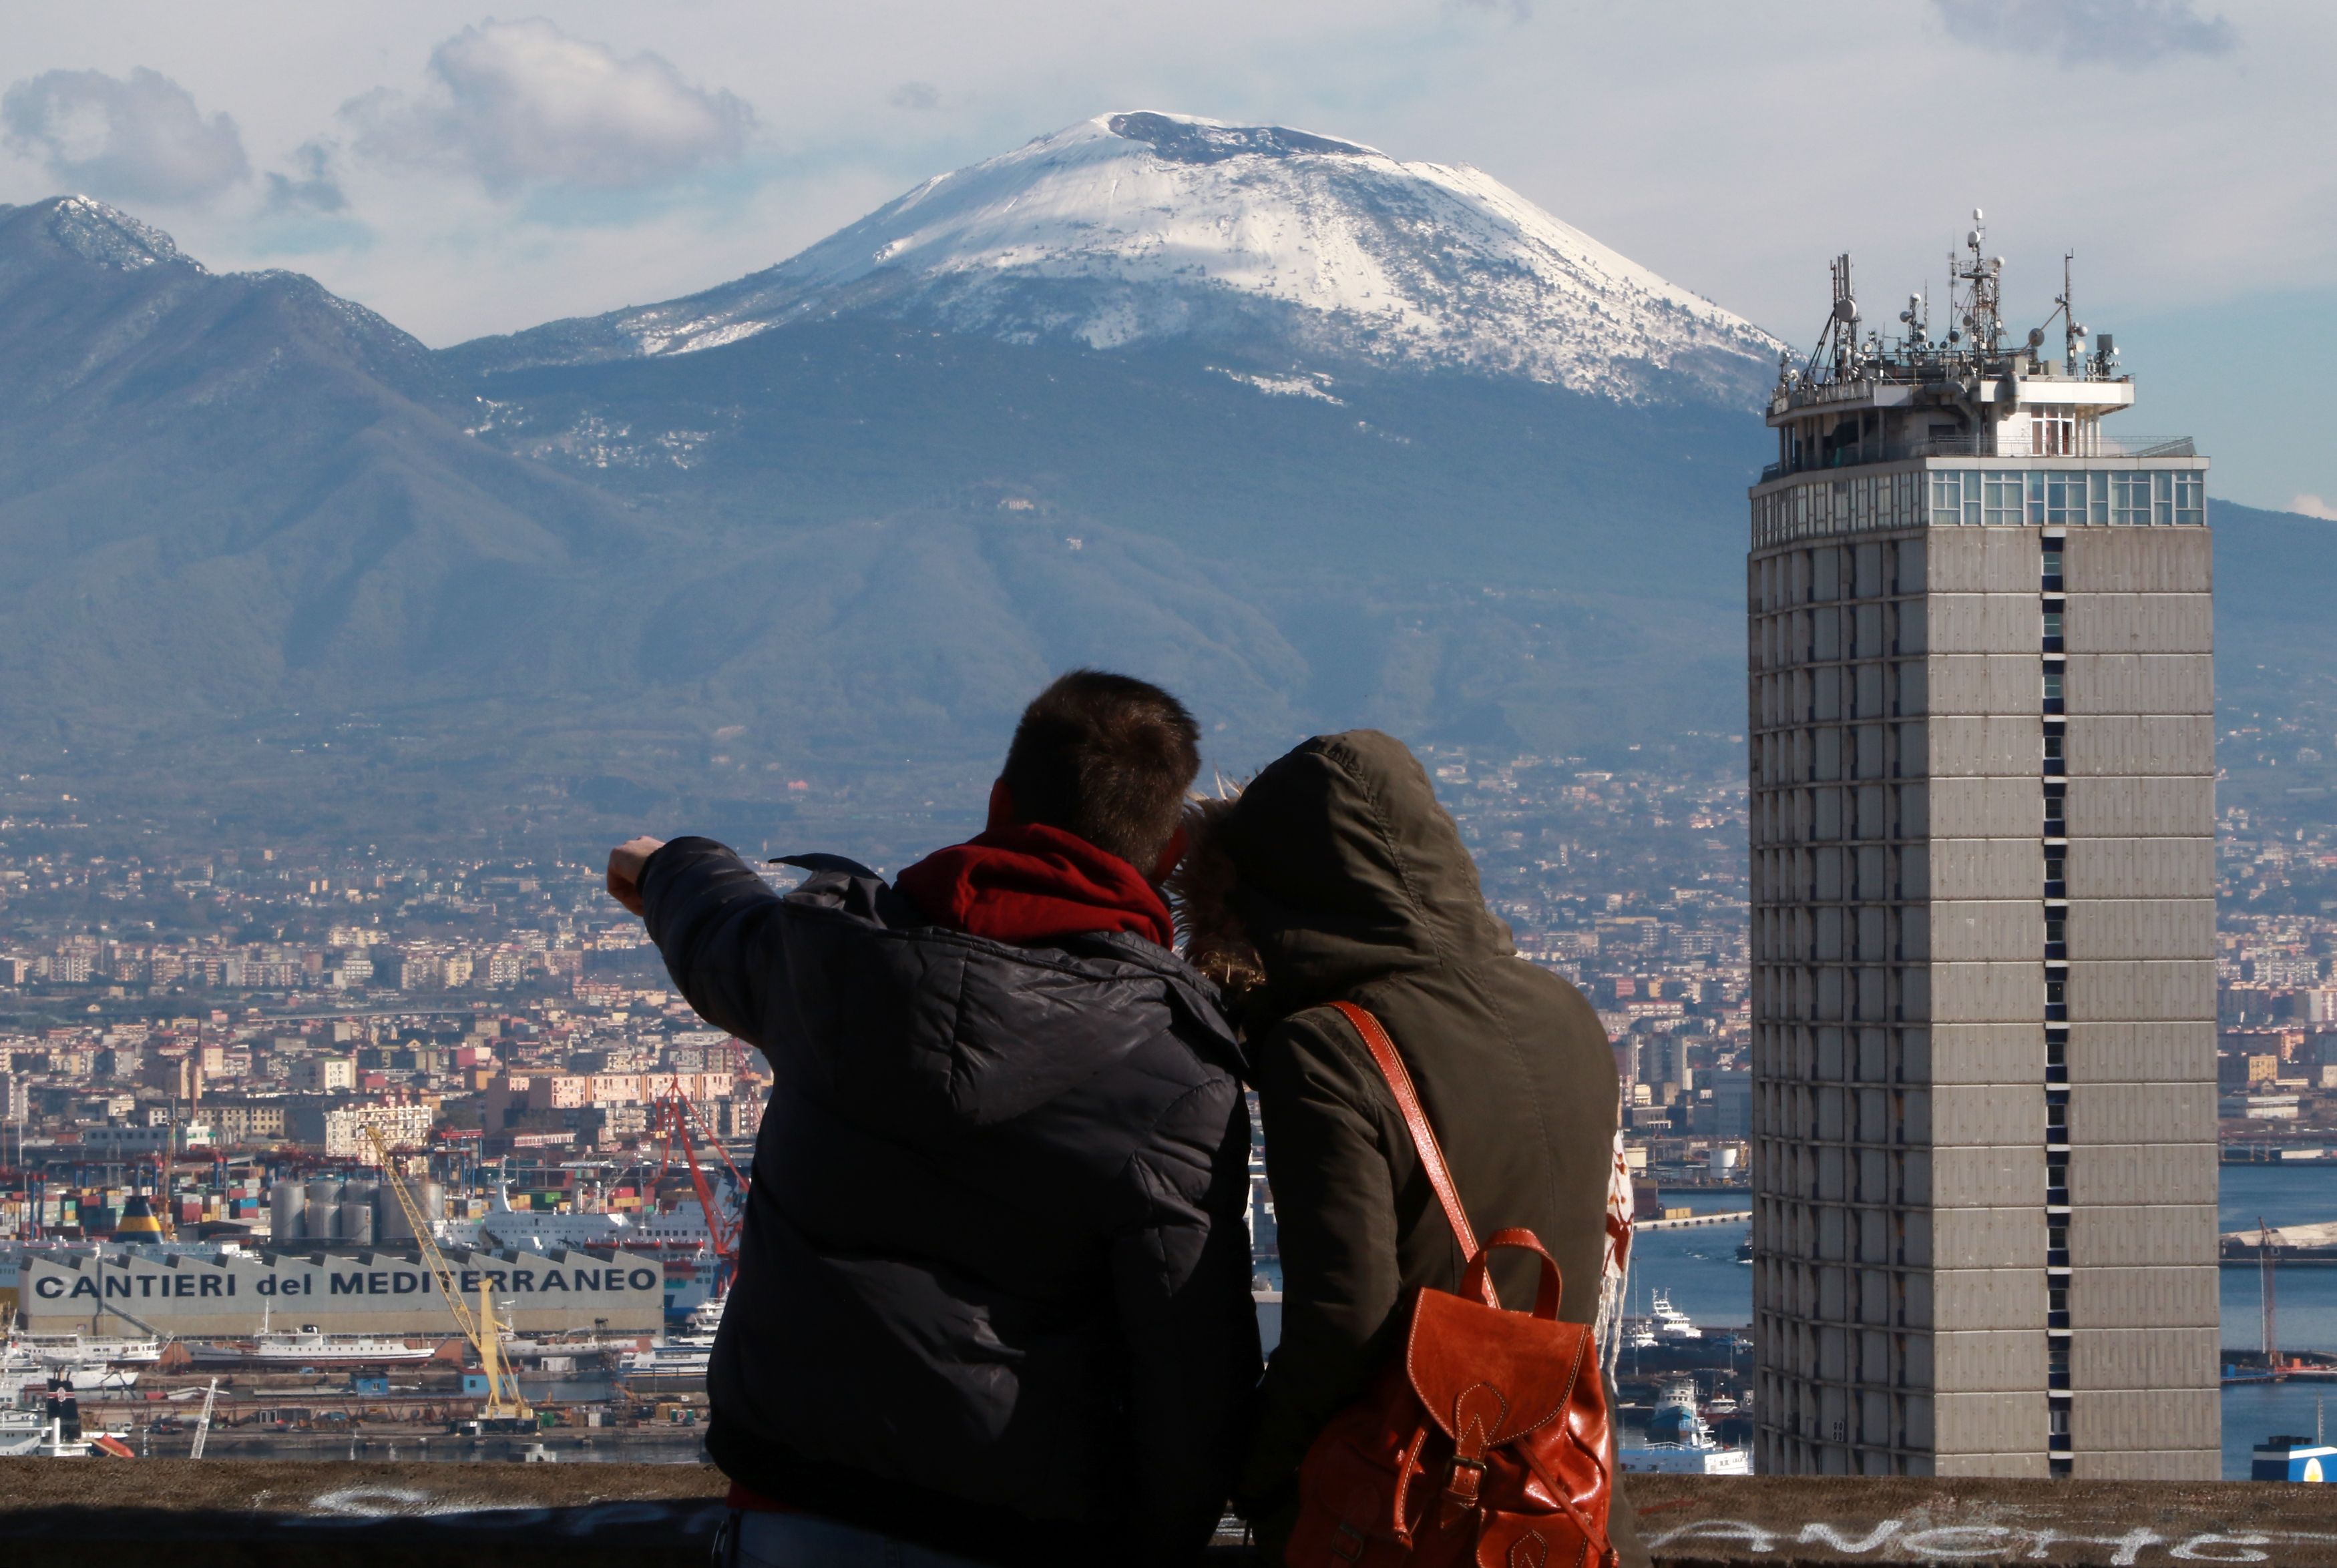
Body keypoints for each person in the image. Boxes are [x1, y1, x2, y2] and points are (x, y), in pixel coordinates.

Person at [604, 671, 1260, 1568]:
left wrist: (674, 862)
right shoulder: (1178, 1068)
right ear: (1171, 852)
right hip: (1025, 1526)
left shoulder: (835, 962)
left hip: (792, 1506)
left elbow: (718, 924)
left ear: (999, 802)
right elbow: (1192, 1368)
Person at [1175, 730, 1648, 1568]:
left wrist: (1254, 1468)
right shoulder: (1566, 1011)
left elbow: (1344, 1319)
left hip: (1408, 1509)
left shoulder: (1328, 1049)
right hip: (1563, 1499)